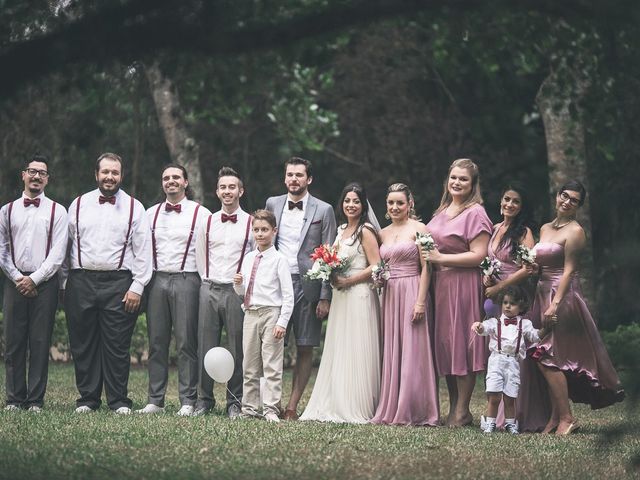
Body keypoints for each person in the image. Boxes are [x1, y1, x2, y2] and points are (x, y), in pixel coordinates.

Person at [527, 180, 624, 435]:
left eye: (574, 200)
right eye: (564, 196)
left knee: (545, 354)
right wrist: (532, 268)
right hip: (542, 292)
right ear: (557, 196)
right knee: (551, 356)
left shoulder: (576, 231)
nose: (567, 202)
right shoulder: (545, 228)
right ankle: (554, 417)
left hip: (562, 295)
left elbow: (569, 270)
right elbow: (542, 261)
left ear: (579, 205)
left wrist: (555, 305)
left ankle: (567, 418)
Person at [65, 152, 152, 414]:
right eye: (105, 172)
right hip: (81, 279)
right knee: (83, 343)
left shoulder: (135, 207)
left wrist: (137, 286)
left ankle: (118, 401)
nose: (110, 177)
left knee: (117, 345)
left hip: (119, 282)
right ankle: (88, 399)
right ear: (96, 174)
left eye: (115, 172)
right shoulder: (78, 204)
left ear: (121, 176)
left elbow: (143, 251)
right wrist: (63, 283)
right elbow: (66, 247)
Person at [300, 182, 381, 423]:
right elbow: (331, 258)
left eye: (356, 201)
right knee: (340, 346)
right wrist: (327, 270)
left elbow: (377, 265)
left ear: (363, 204)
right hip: (342, 297)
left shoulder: (365, 231)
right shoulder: (342, 229)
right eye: (347, 201)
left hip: (360, 295)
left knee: (358, 346)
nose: (351, 205)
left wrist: (350, 280)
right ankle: (336, 400)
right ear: (342, 203)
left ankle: (357, 403)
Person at [265, 157, 336, 420]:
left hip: (309, 285)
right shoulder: (273, 203)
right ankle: (271, 403)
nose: (294, 179)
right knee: (272, 344)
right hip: (276, 285)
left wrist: (325, 296)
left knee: (304, 346)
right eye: (289, 175)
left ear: (309, 179)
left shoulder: (324, 209)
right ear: (285, 178)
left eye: (299, 175)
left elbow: (329, 253)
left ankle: (293, 406)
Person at [137, 164, 211, 416]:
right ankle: (155, 401)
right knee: (156, 341)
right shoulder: (150, 213)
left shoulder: (201, 214)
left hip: (187, 279)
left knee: (186, 342)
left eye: (176, 177)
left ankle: (187, 401)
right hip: (157, 280)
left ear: (185, 182)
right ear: (162, 183)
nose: (171, 181)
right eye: (166, 177)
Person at [424, 158, 492, 427]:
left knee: (463, 344)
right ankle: (453, 407)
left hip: (464, 284)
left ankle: (463, 410)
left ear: (473, 184)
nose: (457, 183)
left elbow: (479, 256)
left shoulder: (476, 212)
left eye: (463, 179)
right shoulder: (441, 210)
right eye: (453, 177)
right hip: (441, 285)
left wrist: (440, 259)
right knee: (446, 345)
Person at [0, 155, 68, 412]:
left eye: (42, 173)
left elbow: (58, 253)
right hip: (14, 282)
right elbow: (2, 249)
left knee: (40, 342)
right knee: (14, 342)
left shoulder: (57, 211)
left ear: (47, 179)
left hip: (45, 283)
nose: (37, 176)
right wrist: (18, 277)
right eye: (32, 171)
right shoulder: (6, 211)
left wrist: (35, 278)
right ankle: (14, 399)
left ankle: (35, 400)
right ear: (23, 175)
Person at [483, 183, 550, 432]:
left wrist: (501, 288)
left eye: (515, 201)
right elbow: (489, 261)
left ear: (522, 207)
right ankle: (497, 414)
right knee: (499, 354)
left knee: (519, 353)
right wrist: (487, 277)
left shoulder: (524, 232)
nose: (509, 204)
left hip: (518, 297)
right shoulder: (495, 228)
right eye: (506, 199)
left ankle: (523, 413)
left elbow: (528, 268)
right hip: (497, 299)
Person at [370, 183, 439, 426]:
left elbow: (428, 266)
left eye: (400, 202)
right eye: (391, 203)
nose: (395, 207)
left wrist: (421, 301)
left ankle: (416, 408)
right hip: (390, 293)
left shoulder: (420, 228)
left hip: (413, 288)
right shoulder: (383, 233)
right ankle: (391, 406)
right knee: (393, 349)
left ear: (410, 204)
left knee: (413, 349)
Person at [194, 167, 254, 417]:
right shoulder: (206, 221)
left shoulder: (252, 223)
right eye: (223, 187)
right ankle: (203, 401)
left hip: (235, 292)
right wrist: (206, 281)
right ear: (217, 192)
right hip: (209, 288)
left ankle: (234, 402)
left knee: (237, 347)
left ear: (240, 190)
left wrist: (243, 287)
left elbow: (253, 257)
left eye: (232, 187)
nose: (227, 191)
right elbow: (199, 255)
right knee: (205, 345)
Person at [233, 209, 294, 422]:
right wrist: (238, 285)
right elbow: (243, 292)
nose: (260, 234)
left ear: (274, 231)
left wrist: (282, 322)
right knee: (249, 365)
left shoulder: (279, 260)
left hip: (271, 314)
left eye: (265, 230)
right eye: (256, 230)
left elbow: (288, 295)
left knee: (271, 364)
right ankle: (249, 408)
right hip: (250, 313)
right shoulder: (249, 258)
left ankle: (270, 409)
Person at [472, 286, 547, 434]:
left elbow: (535, 336)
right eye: (505, 302)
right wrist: (479, 326)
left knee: (510, 397)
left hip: (513, 363)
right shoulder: (495, 322)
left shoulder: (524, 324)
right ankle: (490, 423)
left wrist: (547, 328)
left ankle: (510, 424)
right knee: (494, 396)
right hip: (496, 361)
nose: (507, 306)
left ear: (521, 307)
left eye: (512, 303)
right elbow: (484, 328)